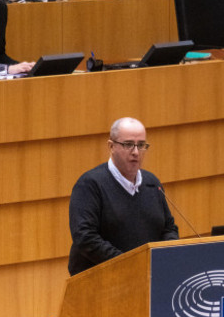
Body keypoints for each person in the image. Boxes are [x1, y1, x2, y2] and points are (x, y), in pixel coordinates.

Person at [68, 117, 179, 276]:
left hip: (148, 278)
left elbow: (168, 228)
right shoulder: (90, 184)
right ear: (111, 146)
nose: (135, 152)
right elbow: (85, 238)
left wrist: (167, 254)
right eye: (128, 145)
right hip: (100, 282)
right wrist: (130, 264)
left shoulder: (152, 183)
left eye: (141, 145)